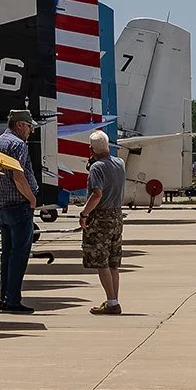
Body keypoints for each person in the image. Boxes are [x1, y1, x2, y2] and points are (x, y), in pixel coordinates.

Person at [0, 109, 40, 314]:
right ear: (19, 125)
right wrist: (32, 198)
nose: (30, 131)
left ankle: (4, 298)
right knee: (19, 256)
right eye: (29, 126)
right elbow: (19, 176)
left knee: (7, 256)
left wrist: (2, 193)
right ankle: (12, 301)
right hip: (19, 206)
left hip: (3, 206)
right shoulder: (18, 144)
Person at [79, 130, 125, 314]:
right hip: (117, 216)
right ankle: (113, 300)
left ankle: (112, 302)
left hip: (101, 218)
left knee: (101, 261)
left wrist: (84, 213)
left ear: (91, 149)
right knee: (113, 261)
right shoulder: (119, 163)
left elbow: (97, 194)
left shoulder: (96, 168)